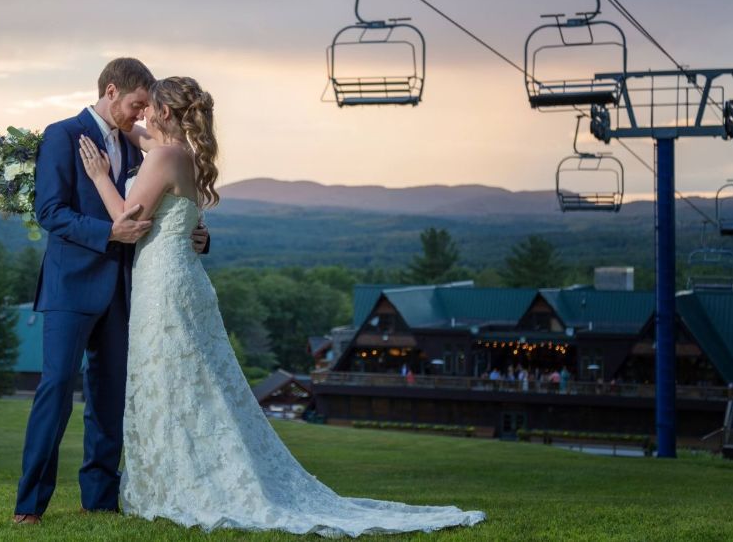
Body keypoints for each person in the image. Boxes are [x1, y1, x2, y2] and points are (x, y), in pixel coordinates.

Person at [79, 75, 485, 536]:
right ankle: (182, 475)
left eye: (149, 107)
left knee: (171, 378)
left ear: (166, 112)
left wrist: (97, 176)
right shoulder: (183, 154)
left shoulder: (165, 156)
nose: (142, 115)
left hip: (163, 283)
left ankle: (178, 482)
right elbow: (136, 134)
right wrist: (107, 116)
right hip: (180, 278)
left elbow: (125, 219)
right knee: (188, 381)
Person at [13, 58, 209, 524]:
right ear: (111, 91)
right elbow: (51, 212)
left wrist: (199, 236)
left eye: (147, 108)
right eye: (136, 105)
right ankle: (30, 505)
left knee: (109, 398)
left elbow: (170, 203)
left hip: (127, 289)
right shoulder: (62, 135)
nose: (141, 115)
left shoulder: (142, 145)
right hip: (71, 286)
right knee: (56, 388)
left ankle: (99, 498)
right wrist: (108, 234)